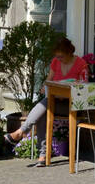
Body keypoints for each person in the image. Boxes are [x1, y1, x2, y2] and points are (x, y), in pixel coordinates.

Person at [6, 37, 90, 165]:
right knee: (44, 110)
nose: (59, 59)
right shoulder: (55, 62)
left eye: (61, 56)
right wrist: (45, 88)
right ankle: (42, 155)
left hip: (72, 105)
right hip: (54, 101)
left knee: (44, 106)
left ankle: (23, 134)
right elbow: (48, 81)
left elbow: (85, 86)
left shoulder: (81, 64)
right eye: (57, 56)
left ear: (69, 53)